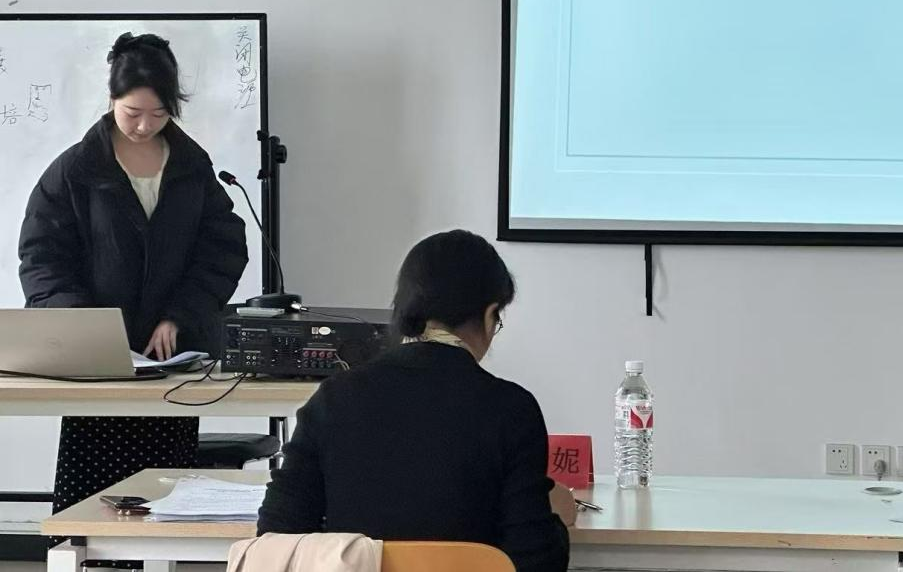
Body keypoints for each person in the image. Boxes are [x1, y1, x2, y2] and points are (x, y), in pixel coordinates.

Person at [18, 32, 248, 521]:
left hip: (171, 360)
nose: (144, 126)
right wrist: (88, 328)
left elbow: (222, 250)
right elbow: (43, 259)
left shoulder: (191, 166)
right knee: (91, 508)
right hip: (98, 365)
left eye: (158, 114)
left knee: (165, 504)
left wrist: (180, 315)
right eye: (132, 113)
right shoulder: (76, 170)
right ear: (111, 99)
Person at [257, 230, 570, 572]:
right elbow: (535, 561)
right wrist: (555, 518)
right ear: (489, 314)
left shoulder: (334, 399)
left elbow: (277, 536)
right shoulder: (512, 409)